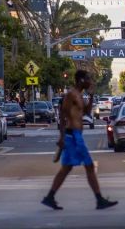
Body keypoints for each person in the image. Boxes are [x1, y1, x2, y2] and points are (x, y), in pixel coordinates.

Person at [41, 70, 117, 211]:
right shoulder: (71, 94)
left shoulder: (80, 95)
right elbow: (63, 114)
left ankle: (49, 197)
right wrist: (62, 136)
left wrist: (92, 95)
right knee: (89, 166)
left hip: (75, 135)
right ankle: (99, 200)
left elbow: (87, 113)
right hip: (72, 136)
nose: (90, 81)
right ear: (81, 80)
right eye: (88, 78)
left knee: (67, 168)